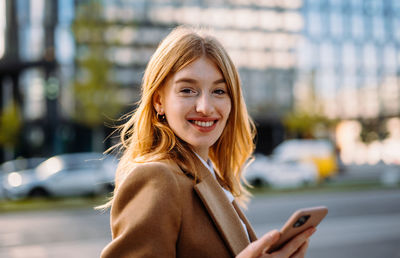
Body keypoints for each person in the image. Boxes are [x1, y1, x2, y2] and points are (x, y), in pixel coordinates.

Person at [100, 26, 315, 258]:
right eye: (187, 90)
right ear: (159, 101)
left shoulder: (210, 176)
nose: (205, 107)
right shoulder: (157, 178)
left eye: (219, 91)